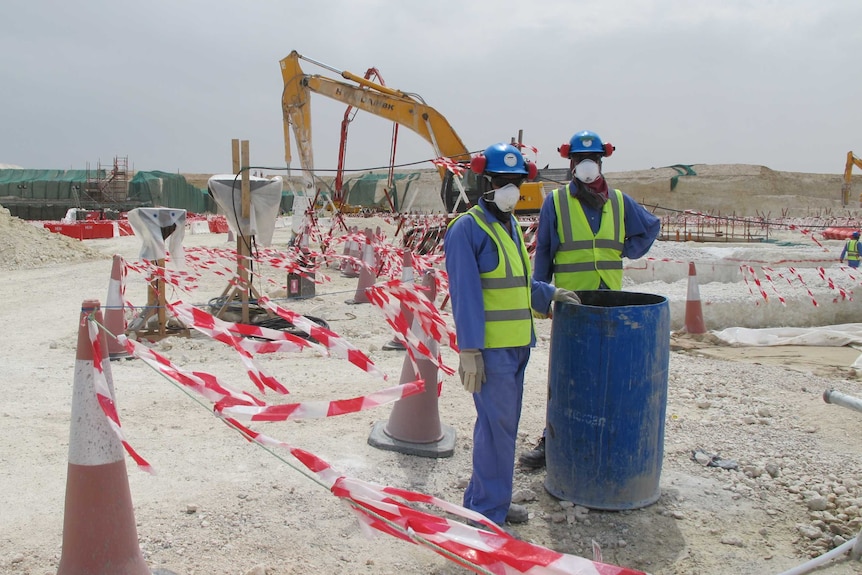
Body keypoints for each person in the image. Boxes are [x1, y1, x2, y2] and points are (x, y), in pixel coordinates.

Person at [444, 142, 580, 527]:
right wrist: (469, 350)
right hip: (491, 351)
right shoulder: (467, 229)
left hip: (518, 345)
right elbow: (466, 297)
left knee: (500, 429)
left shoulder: (508, 227)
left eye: (516, 182)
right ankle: (488, 510)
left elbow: (519, 283)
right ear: (483, 182)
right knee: (497, 429)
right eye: (502, 182)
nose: (511, 189)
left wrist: (550, 294)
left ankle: (488, 501)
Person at [518, 130, 662, 469]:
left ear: (601, 162)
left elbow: (650, 227)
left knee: (609, 373)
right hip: (572, 301)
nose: (586, 166)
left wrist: (626, 250)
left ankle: (603, 438)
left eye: (592, 160)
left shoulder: (620, 201)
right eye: (581, 160)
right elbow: (545, 253)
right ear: (571, 163)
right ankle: (551, 440)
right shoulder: (556, 202)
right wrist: (542, 297)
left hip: (610, 300)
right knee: (566, 374)